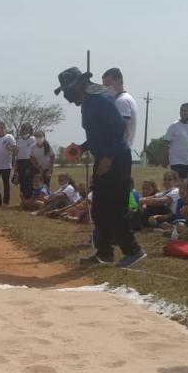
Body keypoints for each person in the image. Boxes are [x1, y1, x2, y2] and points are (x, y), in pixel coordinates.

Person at [53, 67, 145, 268]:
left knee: (115, 208)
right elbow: (97, 136)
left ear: (78, 84)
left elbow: (120, 130)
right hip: (102, 159)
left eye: (67, 89)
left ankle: (133, 250)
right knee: (99, 208)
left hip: (116, 159)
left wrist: (109, 157)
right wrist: (81, 147)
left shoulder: (100, 100)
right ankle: (104, 252)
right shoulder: (86, 104)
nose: (67, 95)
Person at [102, 68, 138, 150]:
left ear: (120, 82)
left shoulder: (121, 101)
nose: (106, 88)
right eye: (104, 86)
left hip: (118, 152)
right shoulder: (127, 98)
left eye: (109, 85)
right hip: (122, 150)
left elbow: (123, 130)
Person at [162, 103, 188, 179]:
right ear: (180, 112)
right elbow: (166, 143)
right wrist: (165, 159)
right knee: (178, 185)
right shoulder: (173, 126)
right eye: (183, 111)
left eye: (187, 111)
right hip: (176, 162)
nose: (185, 113)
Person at [14, 123, 37, 201]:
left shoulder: (32, 139)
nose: (24, 130)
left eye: (26, 128)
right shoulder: (19, 139)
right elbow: (17, 153)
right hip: (20, 162)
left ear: (29, 129)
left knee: (29, 181)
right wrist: (16, 164)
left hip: (29, 162)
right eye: (23, 128)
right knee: (22, 181)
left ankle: (30, 200)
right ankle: (23, 200)